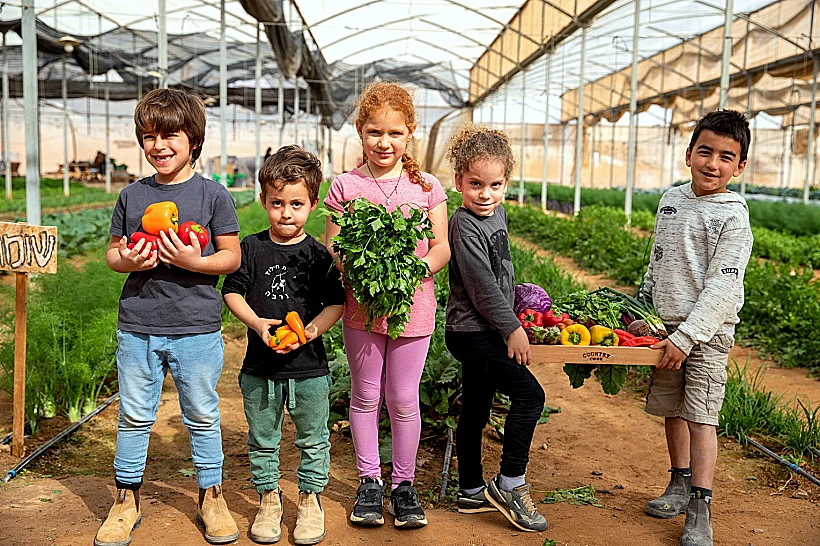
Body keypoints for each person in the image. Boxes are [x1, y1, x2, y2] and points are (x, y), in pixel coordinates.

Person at [95, 88, 242, 546]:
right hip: (138, 323)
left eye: (170, 135)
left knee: (201, 412)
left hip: (196, 325)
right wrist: (130, 261)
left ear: (193, 139)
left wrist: (193, 262)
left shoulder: (213, 195)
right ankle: (125, 500)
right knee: (135, 415)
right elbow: (113, 254)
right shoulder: (133, 195)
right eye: (148, 136)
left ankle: (212, 496)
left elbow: (231, 258)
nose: (158, 145)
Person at [323, 81, 450, 528]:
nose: (384, 142)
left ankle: (404, 485)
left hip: (413, 310)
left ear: (410, 133)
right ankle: (369, 483)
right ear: (360, 131)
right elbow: (335, 247)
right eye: (375, 132)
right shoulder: (346, 186)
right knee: (365, 396)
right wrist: (356, 270)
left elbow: (441, 247)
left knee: (402, 399)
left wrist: (412, 271)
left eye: (395, 133)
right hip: (361, 309)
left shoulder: (427, 187)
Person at [222, 145, 345, 545]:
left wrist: (311, 330)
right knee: (262, 438)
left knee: (313, 437)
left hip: (309, 368)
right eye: (277, 203)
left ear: (313, 203)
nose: (286, 213)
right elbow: (233, 292)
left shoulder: (319, 255)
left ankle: (310, 499)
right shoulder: (251, 249)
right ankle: (268, 499)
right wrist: (257, 324)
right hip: (260, 368)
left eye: (296, 203)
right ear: (263, 201)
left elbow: (336, 303)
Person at [642, 110, 753, 546]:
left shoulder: (733, 216)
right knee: (672, 408)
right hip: (665, 329)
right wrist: (646, 307)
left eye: (726, 157)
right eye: (704, 151)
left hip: (705, 334)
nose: (713, 163)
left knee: (701, 414)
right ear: (688, 154)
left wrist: (687, 336)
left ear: (739, 167)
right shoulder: (670, 199)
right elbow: (659, 259)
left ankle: (701, 506)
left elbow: (724, 287)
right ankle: (679, 481)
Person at [443, 124, 548, 533]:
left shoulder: (497, 213)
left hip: (488, 328)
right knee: (530, 395)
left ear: (506, 183)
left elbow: (500, 272)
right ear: (459, 182)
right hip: (472, 332)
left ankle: (470, 489)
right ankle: (510, 483)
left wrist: (518, 304)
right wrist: (511, 328)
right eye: (475, 184)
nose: (485, 194)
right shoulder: (464, 224)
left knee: (476, 408)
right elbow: (481, 285)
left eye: (495, 184)